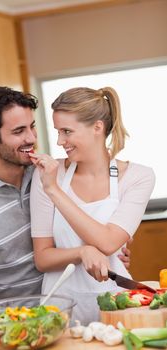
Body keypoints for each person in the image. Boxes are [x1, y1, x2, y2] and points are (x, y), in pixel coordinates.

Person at [0, 86, 131, 309]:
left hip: (66, 308)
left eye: (32, 127)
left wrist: (112, 253)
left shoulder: (48, 174)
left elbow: (89, 223)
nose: (30, 138)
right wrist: (2, 328)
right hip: (13, 318)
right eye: (18, 131)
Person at [29, 86, 155, 325]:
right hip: (59, 309)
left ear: (98, 127)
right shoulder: (46, 174)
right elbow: (42, 258)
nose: (59, 141)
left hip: (117, 304)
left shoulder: (139, 177)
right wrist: (81, 252)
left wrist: (54, 190)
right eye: (57, 132)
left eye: (67, 131)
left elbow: (107, 242)